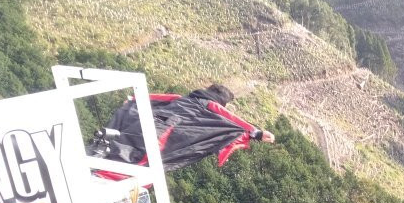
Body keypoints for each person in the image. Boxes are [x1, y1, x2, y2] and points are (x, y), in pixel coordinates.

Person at [91, 82, 275, 174]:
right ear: (220, 100)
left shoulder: (183, 98)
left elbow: (151, 97)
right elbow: (233, 120)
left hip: (145, 124)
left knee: (124, 150)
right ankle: (104, 173)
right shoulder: (210, 105)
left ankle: (98, 165)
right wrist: (256, 133)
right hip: (161, 133)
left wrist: (132, 100)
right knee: (141, 163)